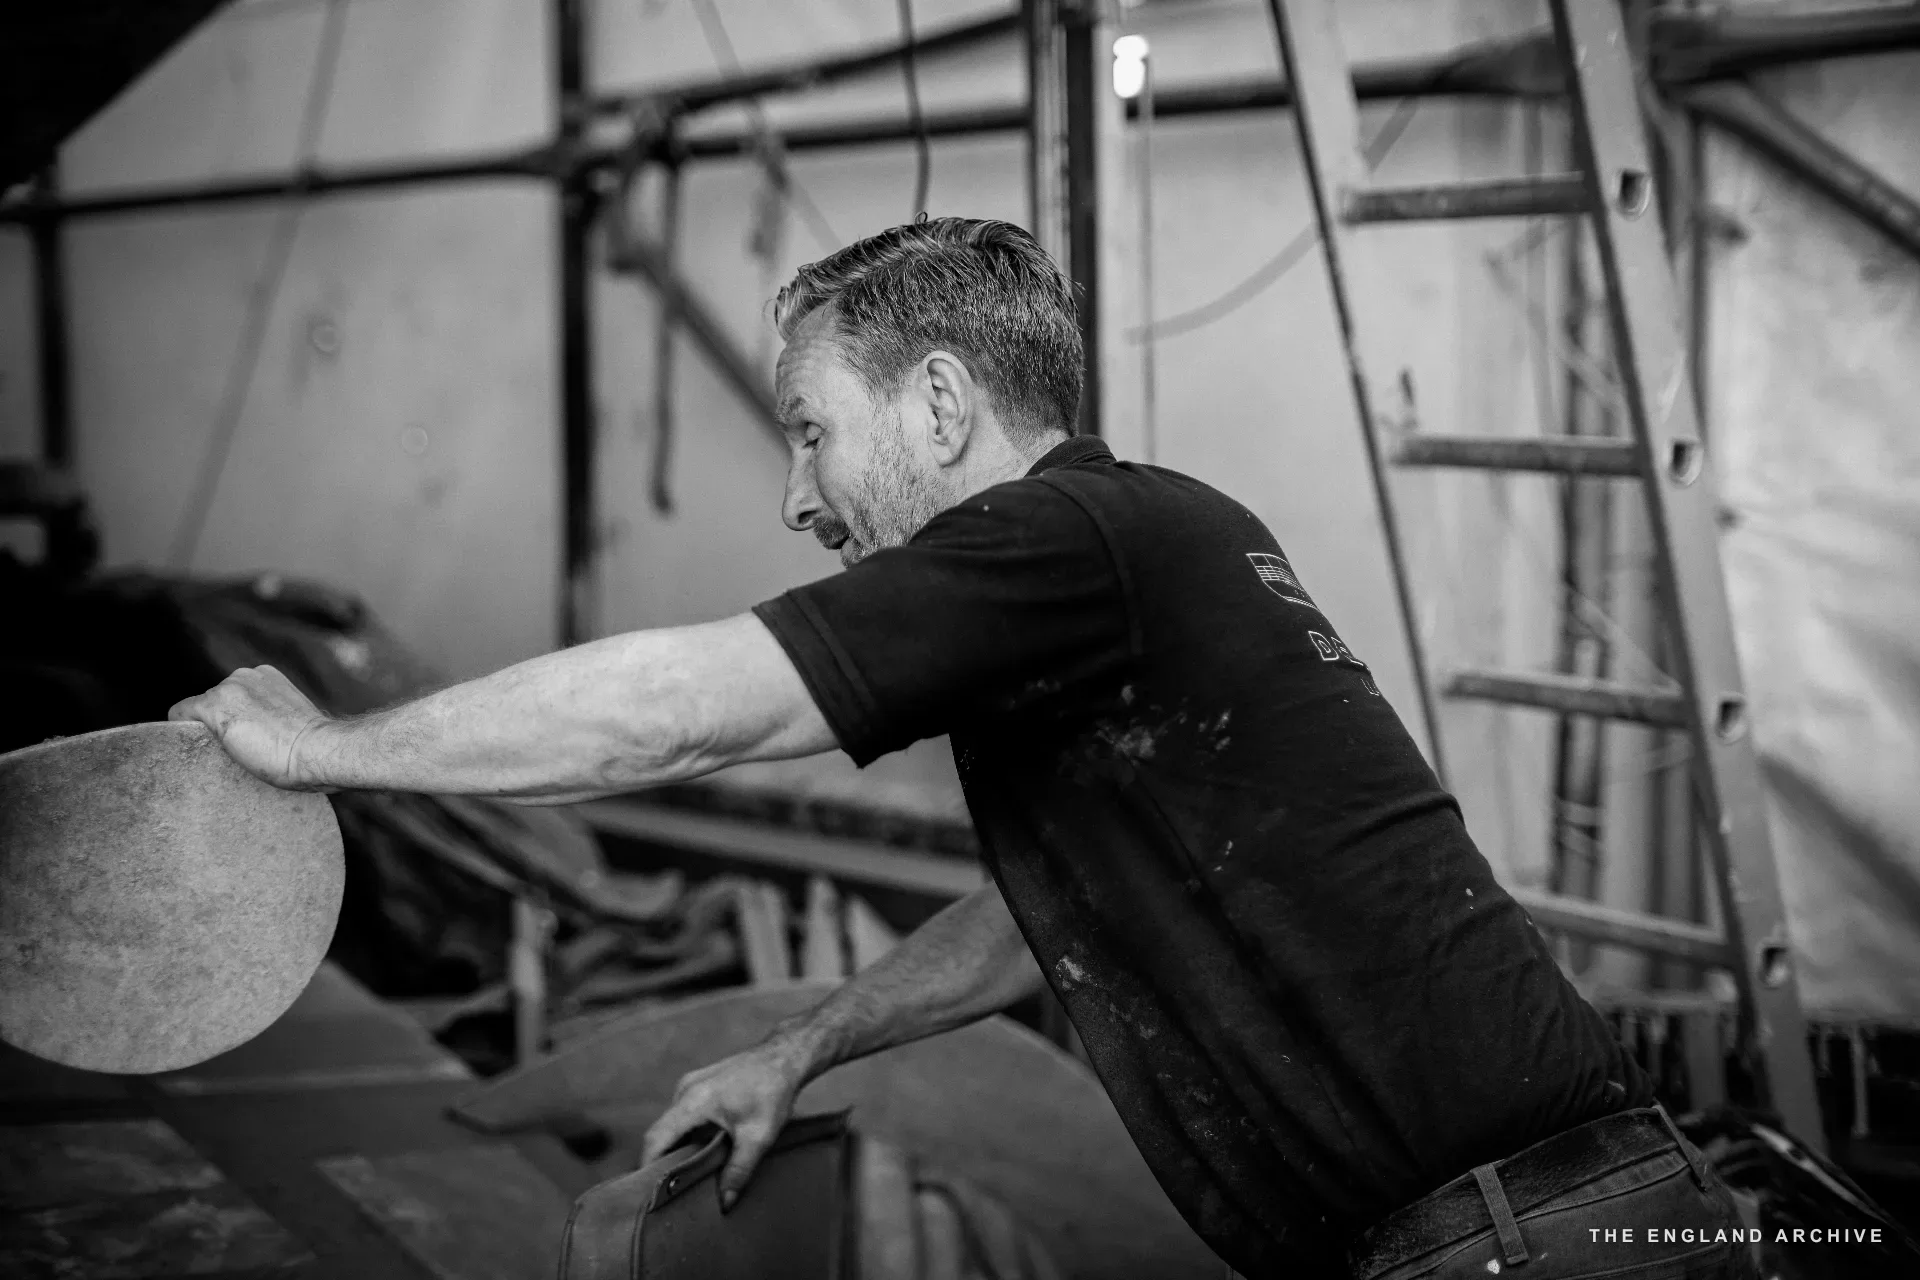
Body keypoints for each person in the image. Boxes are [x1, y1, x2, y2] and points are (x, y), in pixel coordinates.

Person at [173, 217, 1758, 1280]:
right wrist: (806, 1045)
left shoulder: (1072, 535)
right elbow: (1042, 915)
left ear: (939, 405)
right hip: (1511, 1225)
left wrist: (330, 751)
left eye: (808, 425)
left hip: (1524, 1238)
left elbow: (685, 709)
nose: (799, 494)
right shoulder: (1141, 551)